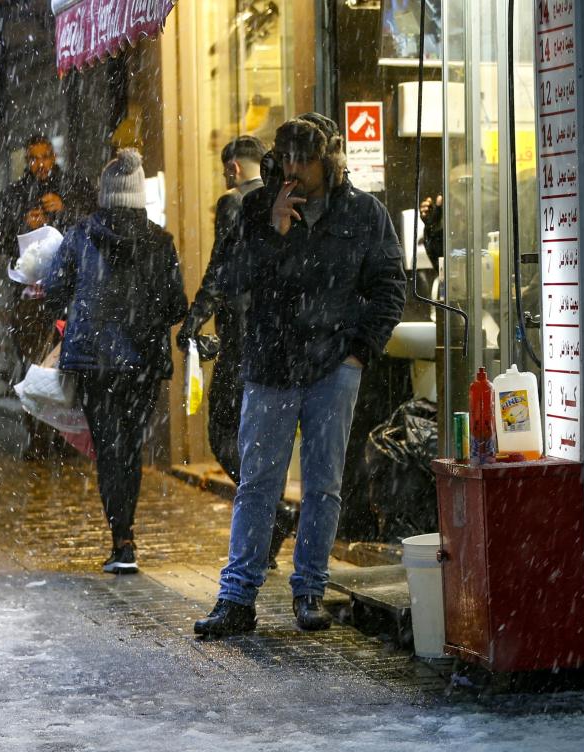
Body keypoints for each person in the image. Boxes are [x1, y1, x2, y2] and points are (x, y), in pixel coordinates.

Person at [193, 114, 405, 635]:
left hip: (333, 365)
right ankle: (237, 597)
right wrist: (274, 232)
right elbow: (231, 278)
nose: (294, 170)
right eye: (286, 158)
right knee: (258, 484)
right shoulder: (257, 210)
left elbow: (389, 286)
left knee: (323, 485)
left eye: (304, 160)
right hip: (269, 363)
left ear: (328, 161)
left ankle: (309, 591)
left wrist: (359, 350)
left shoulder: (362, 213)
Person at [43, 148, 187, 574]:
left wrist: (79, 307)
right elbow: (177, 305)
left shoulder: (79, 236)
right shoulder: (161, 242)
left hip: (94, 361)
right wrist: (146, 315)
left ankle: (120, 539)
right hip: (142, 361)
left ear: (106, 194)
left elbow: (54, 290)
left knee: (109, 447)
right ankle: (126, 534)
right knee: (131, 448)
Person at [176, 136, 297, 570]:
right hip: (279, 338)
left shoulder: (234, 203)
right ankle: (269, 527)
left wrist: (194, 320)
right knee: (265, 435)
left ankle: (272, 512)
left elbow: (220, 269)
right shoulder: (287, 198)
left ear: (232, 169)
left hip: (242, 338)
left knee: (225, 431)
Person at [0, 136, 97, 460]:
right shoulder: (13, 195)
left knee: (68, 365)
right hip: (31, 298)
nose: (41, 165)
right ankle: (37, 439)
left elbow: (92, 226)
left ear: (54, 157)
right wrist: (23, 224)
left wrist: (65, 212)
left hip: (71, 295)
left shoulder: (74, 187)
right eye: (34, 159)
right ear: (26, 161)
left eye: (45, 157)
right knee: (35, 366)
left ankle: (67, 439)